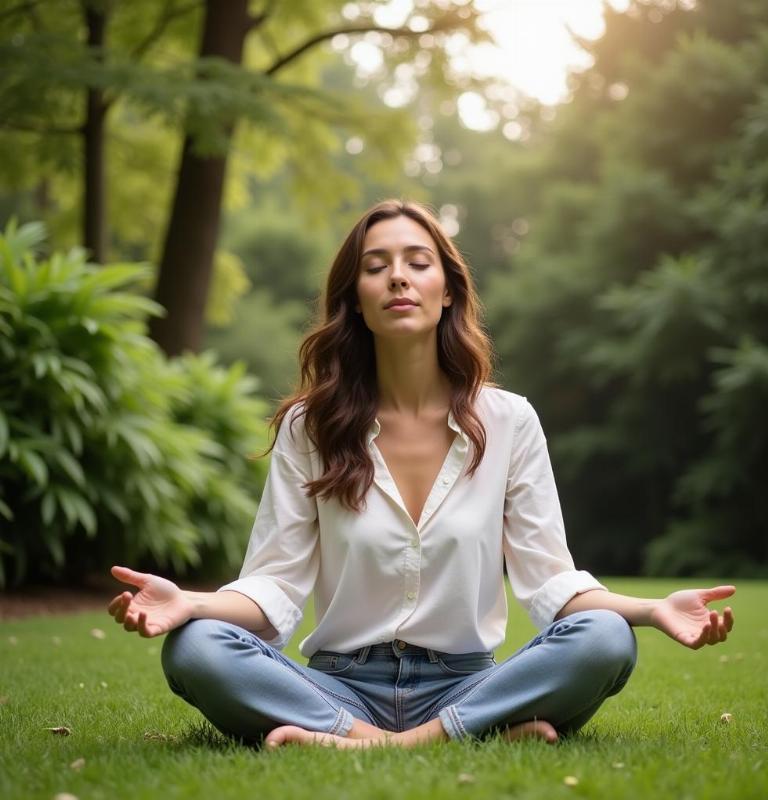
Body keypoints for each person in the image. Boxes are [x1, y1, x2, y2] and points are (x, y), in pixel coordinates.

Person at [108, 199, 735, 750]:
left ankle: (383, 743)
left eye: (417, 261)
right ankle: (440, 736)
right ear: (356, 299)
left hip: (469, 683)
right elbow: (274, 584)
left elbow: (553, 583)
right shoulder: (311, 426)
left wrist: (651, 610)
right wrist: (191, 603)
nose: (398, 277)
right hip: (338, 685)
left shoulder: (510, 420)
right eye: (376, 266)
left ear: (449, 289)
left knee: (604, 639)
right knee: (195, 647)